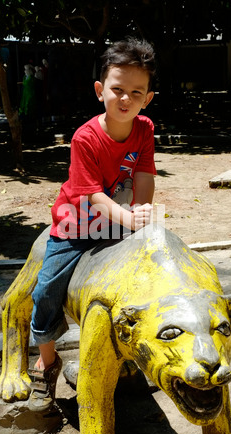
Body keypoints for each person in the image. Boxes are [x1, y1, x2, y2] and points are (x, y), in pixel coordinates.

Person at [28, 37, 157, 412]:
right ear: (101, 90)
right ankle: (47, 361)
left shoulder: (144, 128)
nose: (126, 99)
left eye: (136, 92)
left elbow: (146, 173)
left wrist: (143, 212)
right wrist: (129, 217)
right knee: (47, 288)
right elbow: (91, 196)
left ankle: (130, 357)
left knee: (142, 279)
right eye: (117, 89)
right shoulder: (85, 138)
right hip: (76, 224)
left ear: (147, 98)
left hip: (118, 218)